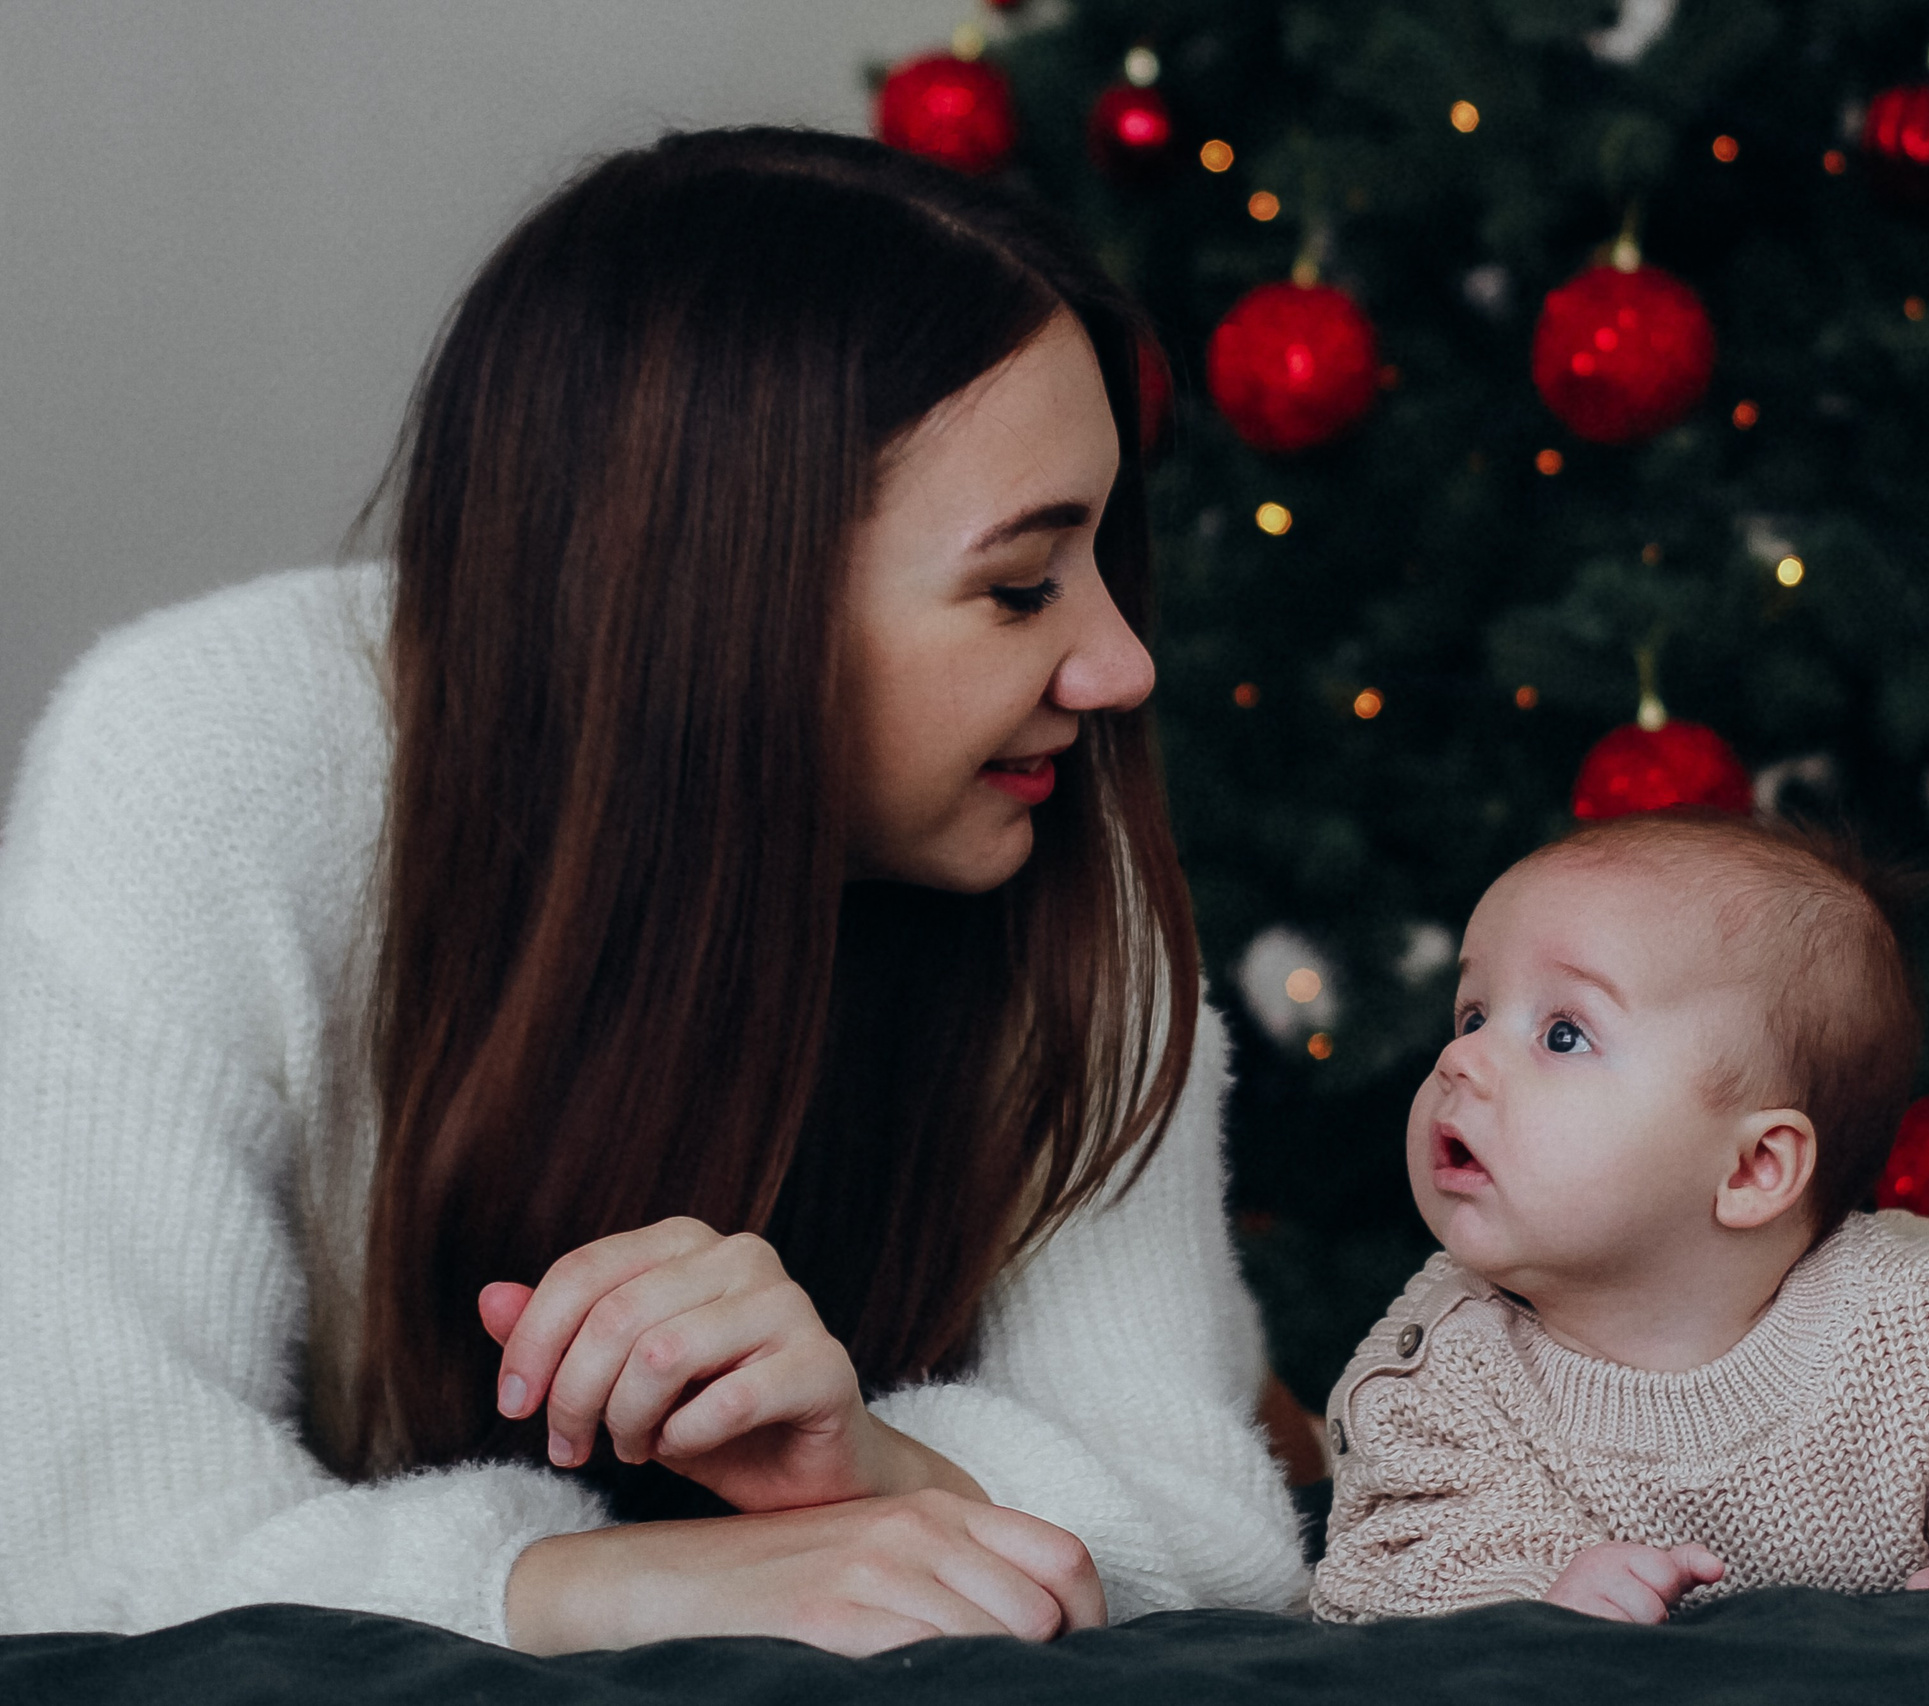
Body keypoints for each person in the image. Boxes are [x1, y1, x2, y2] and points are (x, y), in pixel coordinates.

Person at [0, 128, 1308, 1654]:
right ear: (727, 595)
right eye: (1020, 585)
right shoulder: (202, 757)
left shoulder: (1046, 831)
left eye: (1103, 565)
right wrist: (606, 1581)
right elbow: (78, 1542)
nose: (1120, 666)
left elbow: (1214, 1529)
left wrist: (877, 1470)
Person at [1312, 811, 1929, 1625]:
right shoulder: (1435, 1372)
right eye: (1473, 1014)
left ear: (1752, 1168)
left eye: (1563, 1033)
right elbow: (1391, 1557)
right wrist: (1535, 1585)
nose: (1460, 1061)